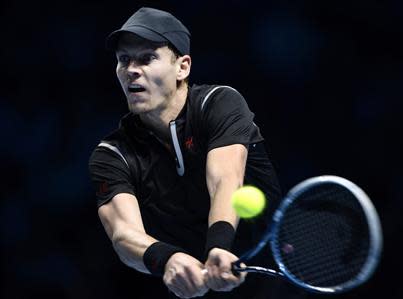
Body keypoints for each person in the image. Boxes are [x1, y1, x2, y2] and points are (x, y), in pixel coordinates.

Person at [89, 7, 295, 299]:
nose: (132, 69)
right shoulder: (112, 154)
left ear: (182, 67)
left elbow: (225, 180)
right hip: (193, 289)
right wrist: (168, 258)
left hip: (273, 281)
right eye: (124, 60)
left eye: (147, 58)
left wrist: (219, 247)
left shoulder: (219, 103)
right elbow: (124, 235)